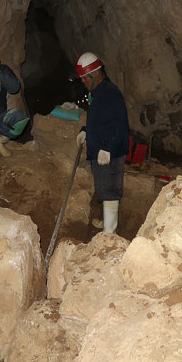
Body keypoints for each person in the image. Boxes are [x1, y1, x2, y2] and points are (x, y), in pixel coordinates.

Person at [74, 52, 129, 234]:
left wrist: (107, 149)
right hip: (100, 150)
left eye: (84, 78)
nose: (83, 82)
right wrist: (86, 130)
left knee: (110, 188)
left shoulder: (110, 94)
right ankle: (107, 222)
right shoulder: (98, 92)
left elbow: (116, 124)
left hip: (110, 152)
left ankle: (109, 232)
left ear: (95, 74)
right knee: (103, 186)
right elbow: (99, 120)